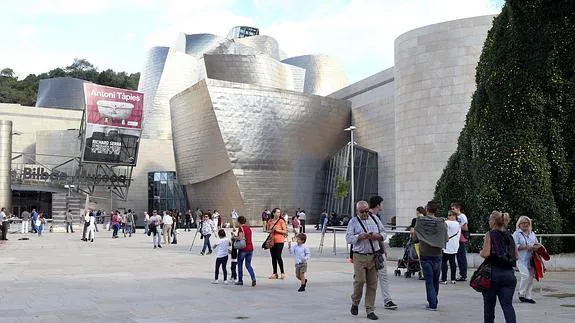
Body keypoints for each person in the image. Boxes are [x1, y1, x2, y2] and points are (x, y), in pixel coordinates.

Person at [346, 201, 384, 321]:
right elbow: (348, 238)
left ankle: (370, 310)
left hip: (373, 255)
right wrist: (359, 237)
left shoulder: (375, 219)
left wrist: (377, 236)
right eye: (362, 211)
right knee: (360, 281)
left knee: (372, 284)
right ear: (358, 211)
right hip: (359, 256)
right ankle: (355, 302)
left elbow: (384, 233)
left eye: (367, 211)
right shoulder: (353, 222)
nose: (365, 213)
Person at [481, 211, 518, 323]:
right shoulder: (509, 235)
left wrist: (481, 252)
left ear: (493, 221)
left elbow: (486, 253)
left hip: (492, 274)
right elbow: (516, 256)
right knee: (507, 306)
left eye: (489, 220)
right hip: (508, 274)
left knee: (489, 306)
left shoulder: (490, 234)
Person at [411, 200, 448, 311]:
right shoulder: (442, 222)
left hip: (425, 254)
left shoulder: (420, 222)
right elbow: (446, 238)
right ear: (436, 210)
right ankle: (434, 300)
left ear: (427, 209)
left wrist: (414, 234)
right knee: (436, 279)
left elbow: (415, 239)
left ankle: (432, 303)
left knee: (429, 280)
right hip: (437, 254)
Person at [369, 195, 398, 310]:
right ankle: (371, 300)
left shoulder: (376, 217)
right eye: (382, 203)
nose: (383, 206)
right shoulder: (371, 218)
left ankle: (387, 299)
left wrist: (382, 245)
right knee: (373, 278)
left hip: (378, 252)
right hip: (372, 252)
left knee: (382, 276)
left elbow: (382, 234)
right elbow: (382, 234)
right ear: (378, 204)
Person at [513, 216, 540, 304]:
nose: (525, 224)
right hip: (520, 259)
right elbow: (513, 246)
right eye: (523, 223)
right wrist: (525, 247)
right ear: (519, 224)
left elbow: (536, 243)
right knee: (525, 275)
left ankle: (528, 296)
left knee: (531, 277)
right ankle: (521, 293)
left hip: (531, 259)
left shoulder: (532, 233)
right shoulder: (517, 234)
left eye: (527, 223)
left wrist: (536, 247)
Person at [235, 215, 257, 287]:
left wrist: (234, 237)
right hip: (250, 248)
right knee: (248, 265)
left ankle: (240, 281)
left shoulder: (241, 228)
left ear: (239, 221)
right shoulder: (248, 228)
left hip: (243, 249)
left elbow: (240, 238)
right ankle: (253, 278)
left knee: (240, 265)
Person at [267, 208, 288, 280]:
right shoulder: (270, 221)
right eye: (277, 212)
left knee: (278, 256)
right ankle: (274, 273)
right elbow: (268, 230)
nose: (278, 214)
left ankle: (282, 272)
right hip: (272, 241)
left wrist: (277, 230)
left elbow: (285, 231)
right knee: (273, 257)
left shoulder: (281, 221)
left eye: (279, 212)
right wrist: (271, 230)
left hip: (280, 241)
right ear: (273, 213)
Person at [441, 210, 461, 284]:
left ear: (454, 216)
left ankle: (444, 279)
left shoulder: (449, 223)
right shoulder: (458, 224)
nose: (448, 216)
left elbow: (442, 222)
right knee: (452, 263)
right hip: (455, 247)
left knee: (444, 262)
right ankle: (453, 279)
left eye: (450, 215)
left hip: (447, 246)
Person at [451, 202, 469, 281]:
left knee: (461, 258)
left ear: (458, 208)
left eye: (453, 209)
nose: (452, 210)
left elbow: (465, 228)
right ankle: (462, 274)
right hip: (457, 240)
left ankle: (463, 274)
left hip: (461, 239)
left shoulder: (462, 216)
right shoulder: (457, 217)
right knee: (459, 258)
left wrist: (457, 226)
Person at [410, 206, 426, 279]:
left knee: (421, 258)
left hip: (417, 241)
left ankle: (423, 274)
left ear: (418, 212)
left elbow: (412, 231)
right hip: (426, 241)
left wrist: (412, 238)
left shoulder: (415, 220)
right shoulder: (427, 219)